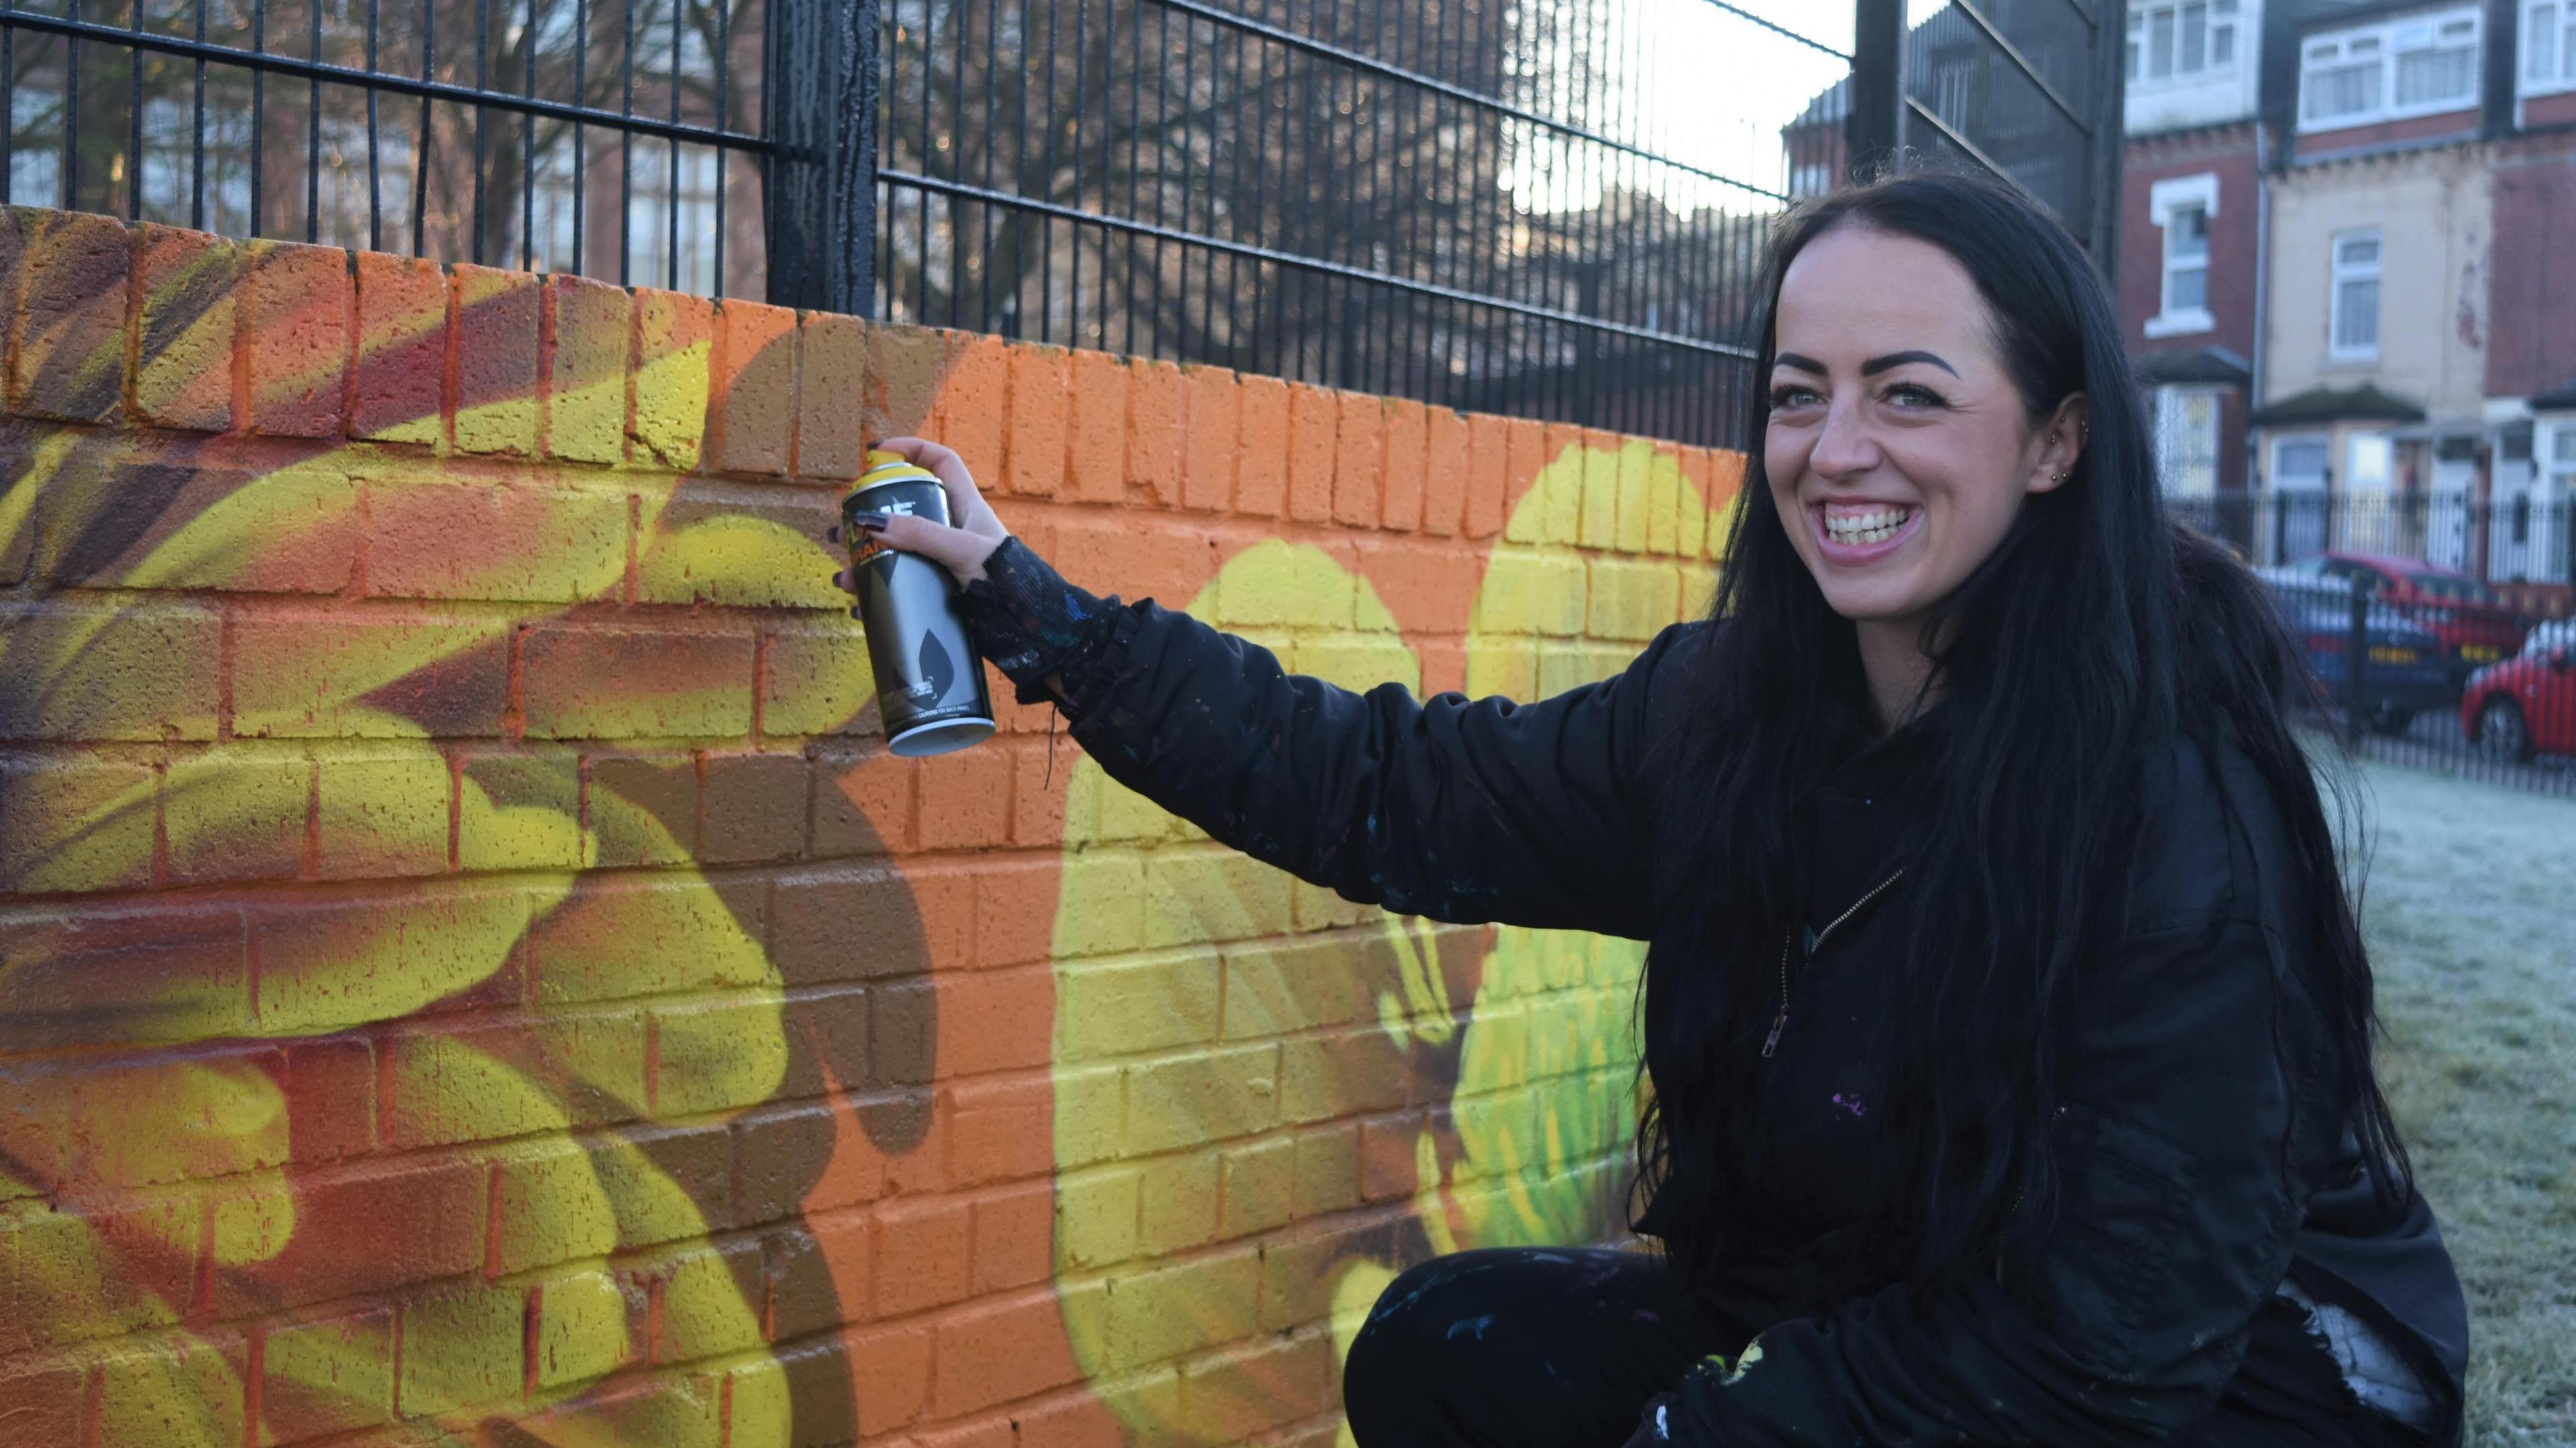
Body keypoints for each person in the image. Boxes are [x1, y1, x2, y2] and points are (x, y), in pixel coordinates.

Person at [834, 168, 2469, 1447]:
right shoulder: (1735, 717)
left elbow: (2108, 1353)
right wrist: (1048, 624)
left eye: (1909, 395)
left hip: (2238, 1383)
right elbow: (1396, 787)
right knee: (1450, 1357)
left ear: (2055, 439)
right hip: (1915, 1296)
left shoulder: (2169, 804)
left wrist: (1724, 1424)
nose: (1838, 452)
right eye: (1797, 391)